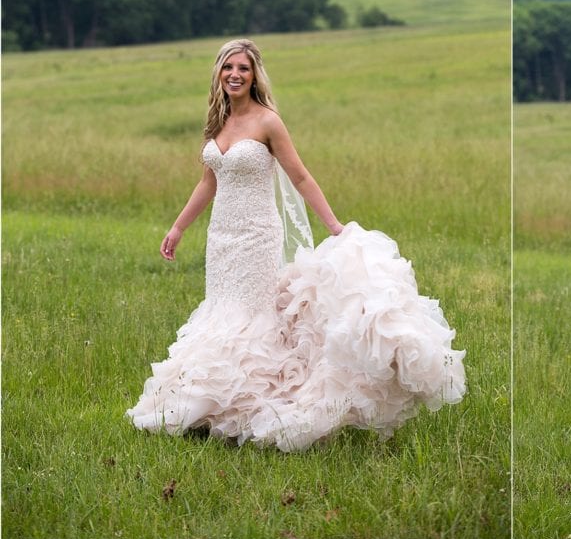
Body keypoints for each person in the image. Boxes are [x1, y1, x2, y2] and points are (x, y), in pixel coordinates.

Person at [127, 39, 466, 451]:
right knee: (222, 311)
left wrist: (334, 224)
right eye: (228, 67)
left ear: (254, 77)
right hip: (221, 240)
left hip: (257, 236)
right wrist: (179, 228)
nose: (235, 74)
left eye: (243, 69)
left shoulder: (268, 121)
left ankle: (249, 406)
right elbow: (208, 183)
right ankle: (211, 402)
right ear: (218, 73)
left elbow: (301, 177)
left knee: (251, 315)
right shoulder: (216, 125)